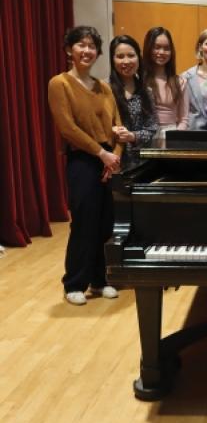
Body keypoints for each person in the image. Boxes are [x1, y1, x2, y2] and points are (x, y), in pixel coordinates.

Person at [48, 26, 123, 305]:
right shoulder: (60, 83)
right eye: (81, 45)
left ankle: (100, 279)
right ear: (69, 49)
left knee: (106, 222)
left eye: (92, 46)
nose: (87, 51)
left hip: (109, 159)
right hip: (83, 159)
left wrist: (114, 154)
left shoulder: (103, 86)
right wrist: (101, 154)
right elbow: (67, 128)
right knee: (84, 222)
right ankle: (74, 283)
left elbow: (116, 126)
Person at [109, 35, 158, 168]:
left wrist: (132, 136)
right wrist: (111, 130)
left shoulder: (146, 91)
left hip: (141, 163)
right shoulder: (104, 89)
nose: (126, 61)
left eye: (131, 55)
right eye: (120, 56)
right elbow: (96, 126)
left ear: (138, 58)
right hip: (111, 161)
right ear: (112, 60)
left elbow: (152, 129)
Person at [142, 26, 189, 145]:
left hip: (171, 137)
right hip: (145, 136)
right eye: (157, 47)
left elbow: (184, 119)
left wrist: (175, 138)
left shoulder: (180, 81)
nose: (161, 52)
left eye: (166, 48)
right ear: (148, 48)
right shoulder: (139, 80)